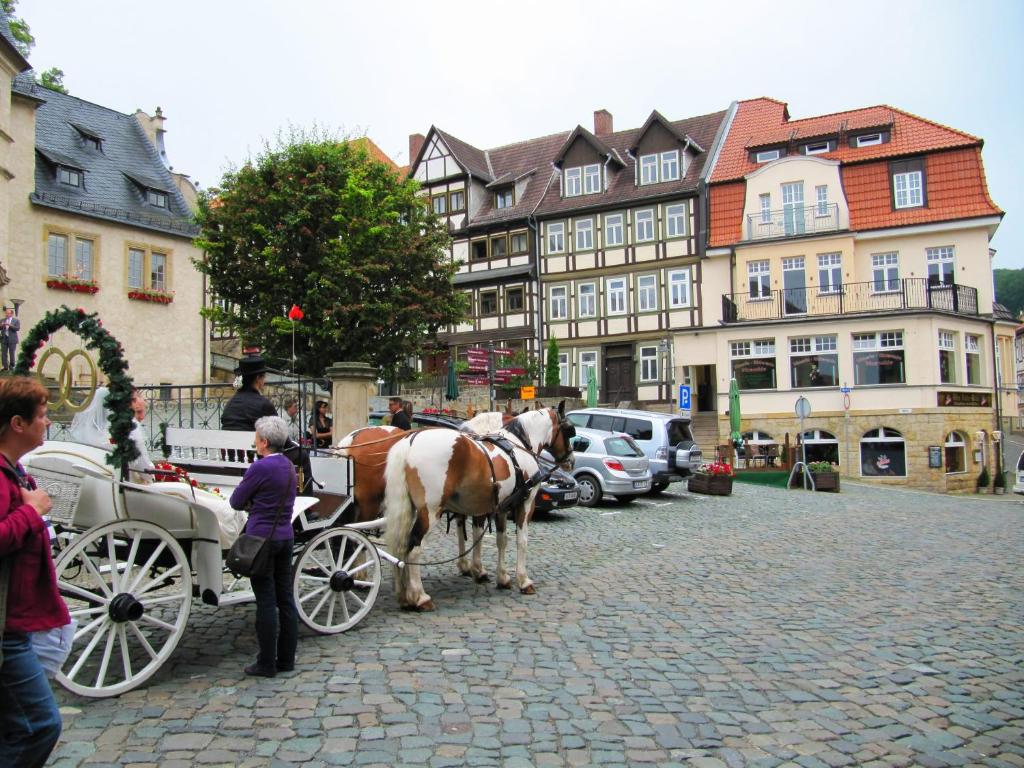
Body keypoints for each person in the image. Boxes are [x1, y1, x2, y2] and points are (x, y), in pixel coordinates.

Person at [0, 376, 69, 766]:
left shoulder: (15, 471)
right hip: (6, 627)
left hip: (16, 621)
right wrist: (31, 511)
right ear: (17, 424)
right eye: (42, 416)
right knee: (40, 724)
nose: (47, 422)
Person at [229, 416, 297, 677]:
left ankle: (266, 662)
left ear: (264, 442)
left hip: (261, 539)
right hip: (285, 536)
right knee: (286, 599)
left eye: (256, 438)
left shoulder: (260, 468)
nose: (254, 442)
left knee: (266, 602)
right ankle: (286, 659)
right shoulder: (289, 466)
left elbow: (236, 501)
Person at [221, 354, 277, 432]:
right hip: (252, 443)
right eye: (264, 376)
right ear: (258, 378)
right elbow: (278, 434)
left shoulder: (231, 403)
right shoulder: (264, 404)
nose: (265, 380)